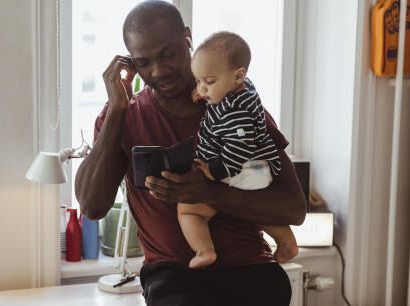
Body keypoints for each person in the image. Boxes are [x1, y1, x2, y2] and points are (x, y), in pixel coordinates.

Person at [74, 1, 306, 305]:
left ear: (187, 37)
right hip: (173, 277)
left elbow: (294, 209)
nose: (158, 71)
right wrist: (116, 108)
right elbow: (92, 208)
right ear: (132, 64)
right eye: (144, 63)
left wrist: (209, 191)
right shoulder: (124, 116)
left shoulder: (238, 106)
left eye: (168, 54)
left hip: (251, 268)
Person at [178, 32, 298, 270]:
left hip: (242, 168)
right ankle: (287, 241)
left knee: (190, 209)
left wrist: (214, 171)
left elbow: (237, 148)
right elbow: (221, 91)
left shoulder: (235, 112)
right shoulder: (241, 89)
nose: (202, 89)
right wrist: (206, 90)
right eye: (199, 81)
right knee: (253, 211)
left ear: (238, 75)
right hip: (252, 167)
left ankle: (204, 250)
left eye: (209, 82)